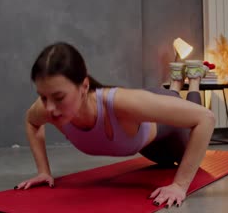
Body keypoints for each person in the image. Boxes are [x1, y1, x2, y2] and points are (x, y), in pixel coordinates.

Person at [15, 42, 215, 208]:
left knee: (188, 116)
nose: (49, 108)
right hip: (148, 146)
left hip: (169, 129)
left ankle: (193, 79)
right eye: (43, 97)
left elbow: (206, 119)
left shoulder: (119, 103)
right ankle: (176, 79)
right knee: (165, 162)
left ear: (84, 87)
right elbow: (31, 121)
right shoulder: (48, 108)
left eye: (59, 97)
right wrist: (43, 171)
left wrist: (180, 185)